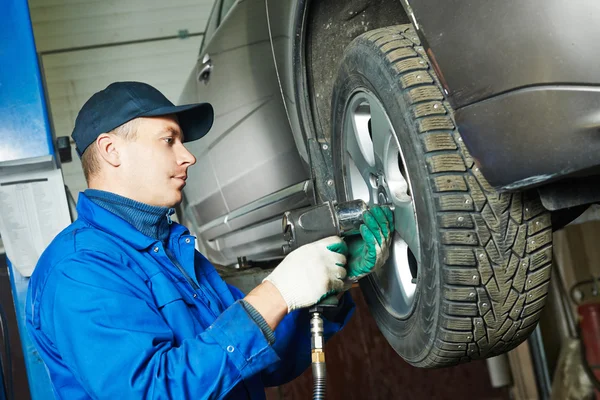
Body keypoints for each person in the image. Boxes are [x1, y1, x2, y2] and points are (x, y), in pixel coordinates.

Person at [26, 81, 394, 399]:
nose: (188, 157)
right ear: (111, 150)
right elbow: (152, 392)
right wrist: (274, 294)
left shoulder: (173, 250)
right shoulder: (78, 269)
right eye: (169, 141)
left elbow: (259, 363)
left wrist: (328, 293)